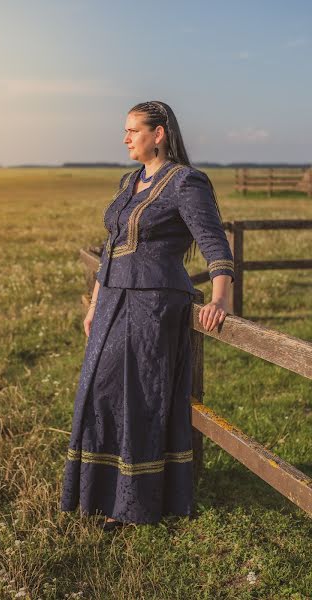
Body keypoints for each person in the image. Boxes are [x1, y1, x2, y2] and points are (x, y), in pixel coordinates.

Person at [60, 101, 235, 531]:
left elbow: (214, 243)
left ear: (159, 134)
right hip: (113, 302)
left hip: (154, 305)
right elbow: (112, 246)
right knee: (100, 394)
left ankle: (135, 508)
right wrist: (98, 302)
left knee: (139, 398)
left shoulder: (185, 182)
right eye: (125, 131)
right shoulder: (129, 181)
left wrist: (220, 300)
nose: (125, 139)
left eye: (133, 130)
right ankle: (99, 491)